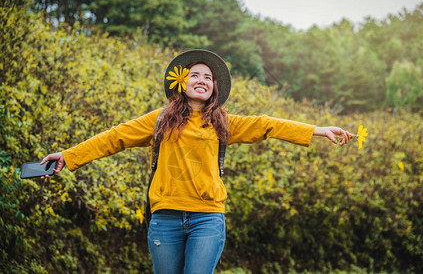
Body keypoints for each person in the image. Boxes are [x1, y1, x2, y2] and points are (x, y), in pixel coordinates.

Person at [41, 49, 353, 274]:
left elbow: (266, 124)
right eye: (195, 75)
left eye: (209, 77)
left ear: (215, 88)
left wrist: (318, 130)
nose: (202, 80)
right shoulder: (159, 119)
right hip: (165, 219)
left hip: (207, 218)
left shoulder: (223, 123)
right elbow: (113, 139)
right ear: (182, 83)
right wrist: (68, 157)